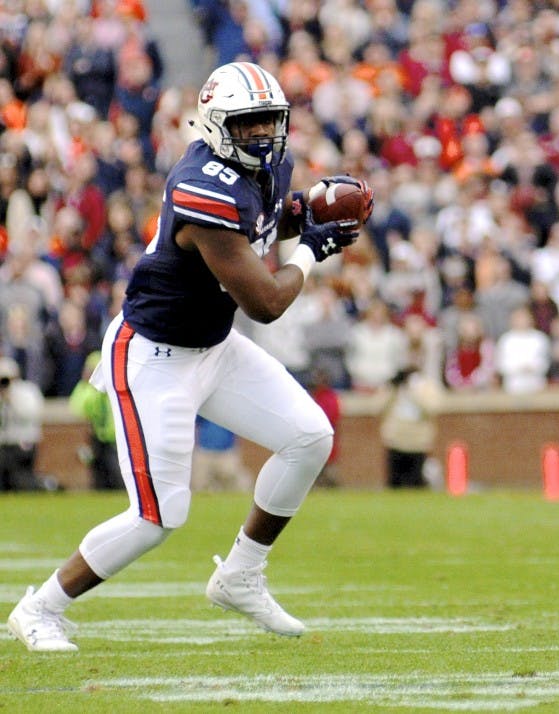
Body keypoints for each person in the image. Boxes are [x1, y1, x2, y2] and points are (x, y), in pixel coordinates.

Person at [7, 62, 373, 652]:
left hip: (212, 344)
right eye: (248, 124)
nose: (261, 135)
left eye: (268, 123)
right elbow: (267, 301)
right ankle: (38, 608)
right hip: (153, 356)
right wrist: (309, 250)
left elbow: (263, 220)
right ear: (216, 125)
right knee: (157, 516)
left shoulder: (268, 166)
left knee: (309, 435)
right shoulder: (200, 184)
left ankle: (241, 574)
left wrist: (308, 208)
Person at [68, 351, 123, 491]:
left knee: (116, 473)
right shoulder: (89, 390)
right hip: (100, 436)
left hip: (113, 437)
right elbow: (77, 407)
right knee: (100, 473)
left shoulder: (107, 388)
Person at [0, 356, 44, 491]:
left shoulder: (27, 391)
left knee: (21, 479)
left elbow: (31, 414)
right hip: (4, 444)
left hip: (24, 442)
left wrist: (11, 398)